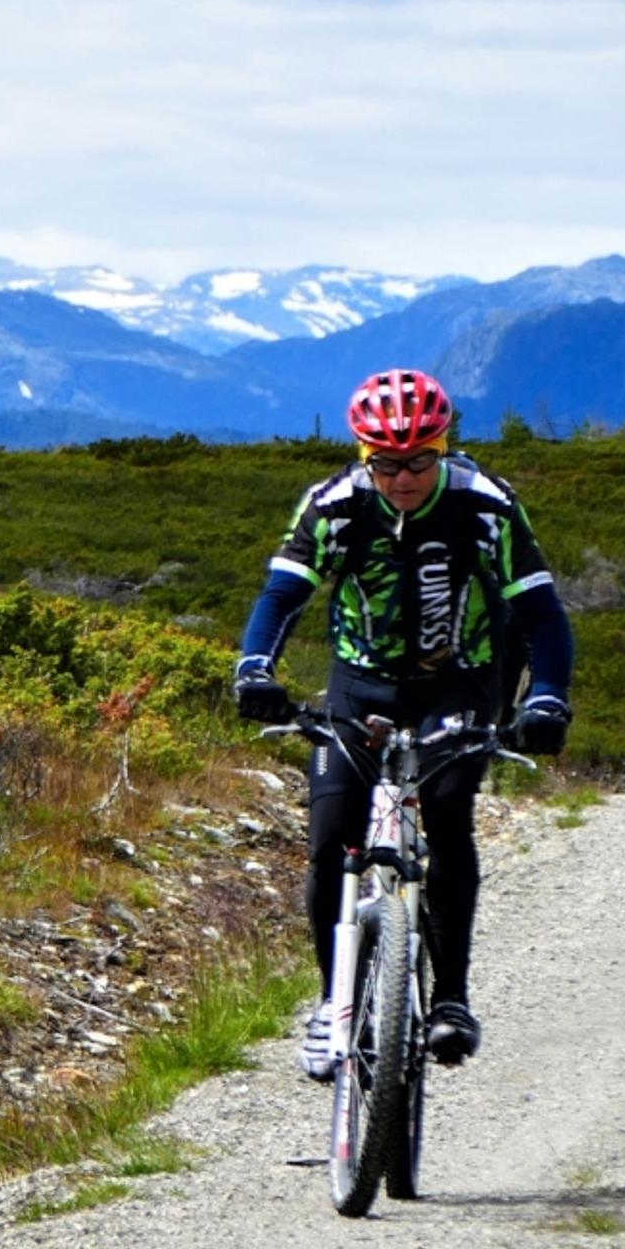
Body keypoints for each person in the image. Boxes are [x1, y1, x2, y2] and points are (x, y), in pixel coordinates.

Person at [232, 369, 573, 1080]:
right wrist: (255, 669)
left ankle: (450, 999)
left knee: (448, 817)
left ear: (445, 448)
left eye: (421, 459)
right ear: (363, 456)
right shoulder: (333, 506)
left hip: (461, 679)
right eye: (386, 463)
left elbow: (541, 613)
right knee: (331, 839)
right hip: (360, 683)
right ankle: (334, 1002)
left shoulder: (486, 504)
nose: (405, 476)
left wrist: (545, 697)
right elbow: (282, 594)